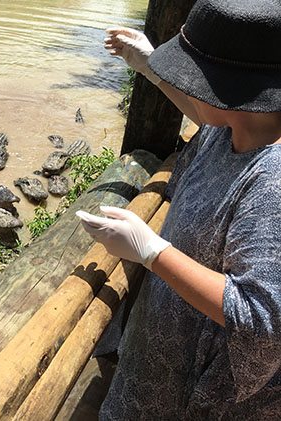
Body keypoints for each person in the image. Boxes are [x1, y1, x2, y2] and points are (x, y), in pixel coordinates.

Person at [75, 0, 281, 419]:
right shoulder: (235, 129)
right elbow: (206, 113)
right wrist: (150, 65)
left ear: (230, 91)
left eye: (196, 78)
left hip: (197, 397)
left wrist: (152, 251)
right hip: (162, 368)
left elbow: (262, 322)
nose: (190, 88)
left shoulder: (273, 184)